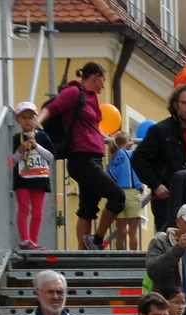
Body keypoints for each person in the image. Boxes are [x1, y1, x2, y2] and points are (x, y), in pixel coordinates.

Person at [40, 62, 119, 249]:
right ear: (96, 76)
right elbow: (53, 107)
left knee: (87, 210)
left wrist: (106, 138)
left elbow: (89, 126)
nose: (104, 85)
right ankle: (97, 241)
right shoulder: (75, 91)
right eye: (103, 80)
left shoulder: (91, 98)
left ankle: (84, 252)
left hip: (94, 158)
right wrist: (36, 121)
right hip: (82, 158)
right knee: (117, 197)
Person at [133, 86, 186, 234]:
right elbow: (138, 158)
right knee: (169, 239)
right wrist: (156, 184)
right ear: (176, 105)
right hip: (167, 197)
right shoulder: (160, 130)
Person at [10, 100, 55, 250]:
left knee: (37, 212)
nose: (28, 120)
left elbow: (50, 157)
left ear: (36, 118)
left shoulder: (42, 136)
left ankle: (34, 242)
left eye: (31, 117)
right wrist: (20, 150)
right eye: (24, 117)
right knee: (23, 210)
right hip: (22, 179)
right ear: (17, 120)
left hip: (40, 179)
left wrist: (36, 146)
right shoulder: (17, 138)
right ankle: (25, 240)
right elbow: (11, 162)